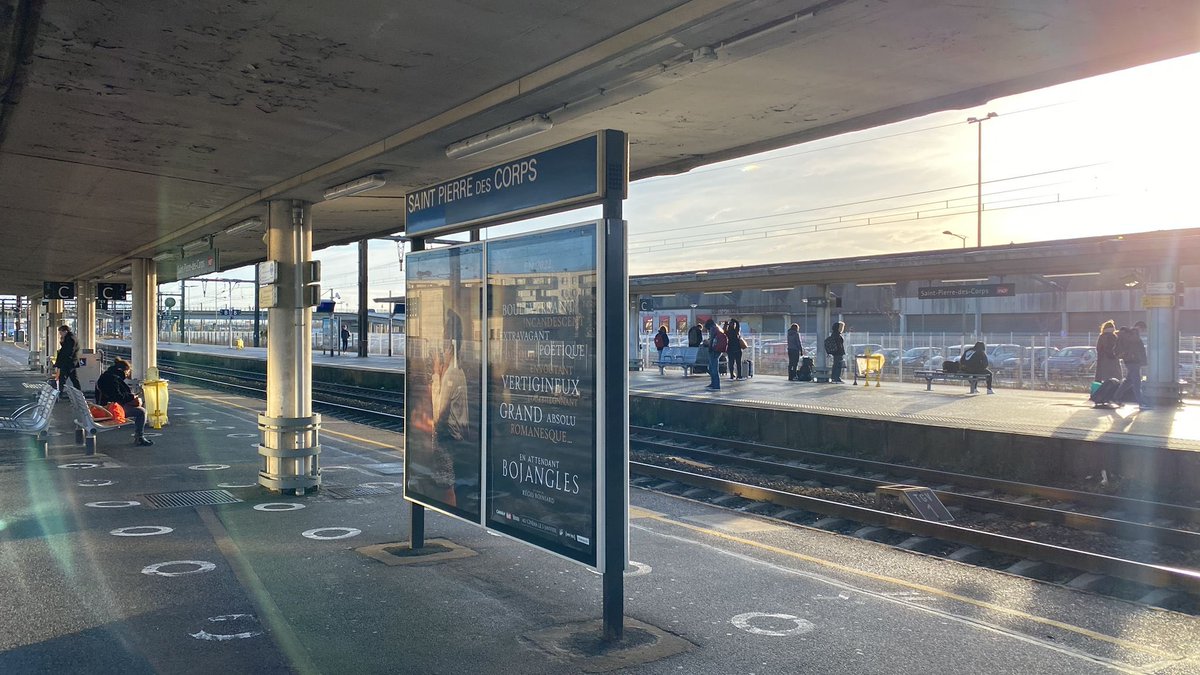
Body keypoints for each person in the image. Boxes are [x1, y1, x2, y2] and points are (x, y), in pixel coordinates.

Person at [96, 358, 153, 446]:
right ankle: (139, 437)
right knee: (142, 411)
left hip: (106, 407)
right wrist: (132, 397)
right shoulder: (113, 379)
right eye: (128, 372)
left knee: (138, 407)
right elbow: (117, 397)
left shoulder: (108, 375)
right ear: (124, 370)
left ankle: (139, 437)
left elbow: (115, 395)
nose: (128, 374)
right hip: (109, 410)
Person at [1117, 322, 1148, 409]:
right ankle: (1141, 403)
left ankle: (1116, 397)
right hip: (1133, 361)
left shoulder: (1130, 335)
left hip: (1131, 361)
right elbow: (1138, 349)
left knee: (1129, 381)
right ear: (1139, 327)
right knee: (1137, 382)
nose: (1142, 332)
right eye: (1142, 329)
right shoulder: (1133, 335)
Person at [54, 325, 82, 398]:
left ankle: (60, 394)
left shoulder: (70, 339)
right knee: (74, 379)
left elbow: (68, 351)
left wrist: (62, 362)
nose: (60, 334)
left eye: (61, 332)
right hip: (70, 362)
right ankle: (79, 394)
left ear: (65, 331)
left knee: (63, 378)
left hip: (68, 362)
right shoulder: (70, 338)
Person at [703, 318, 723, 390]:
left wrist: (708, 346)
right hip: (718, 349)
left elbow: (711, 340)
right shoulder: (718, 328)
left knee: (713, 368)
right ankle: (713, 383)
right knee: (712, 367)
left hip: (714, 350)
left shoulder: (713, 329)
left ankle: (716, 385)